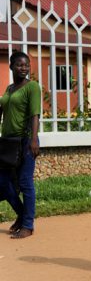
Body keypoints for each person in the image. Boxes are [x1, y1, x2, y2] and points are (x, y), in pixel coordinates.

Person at [0, 51, 40, 239]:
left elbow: (34, 115)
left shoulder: (32, 87)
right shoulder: (9, 89)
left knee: (24, 182)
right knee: (5, 182)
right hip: (8, 142)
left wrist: (33, 139)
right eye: (19, 65)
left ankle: (28, 225)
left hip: (25, 141)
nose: (23, 68)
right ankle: (23, 215)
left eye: (26, 65)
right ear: (11, 66)